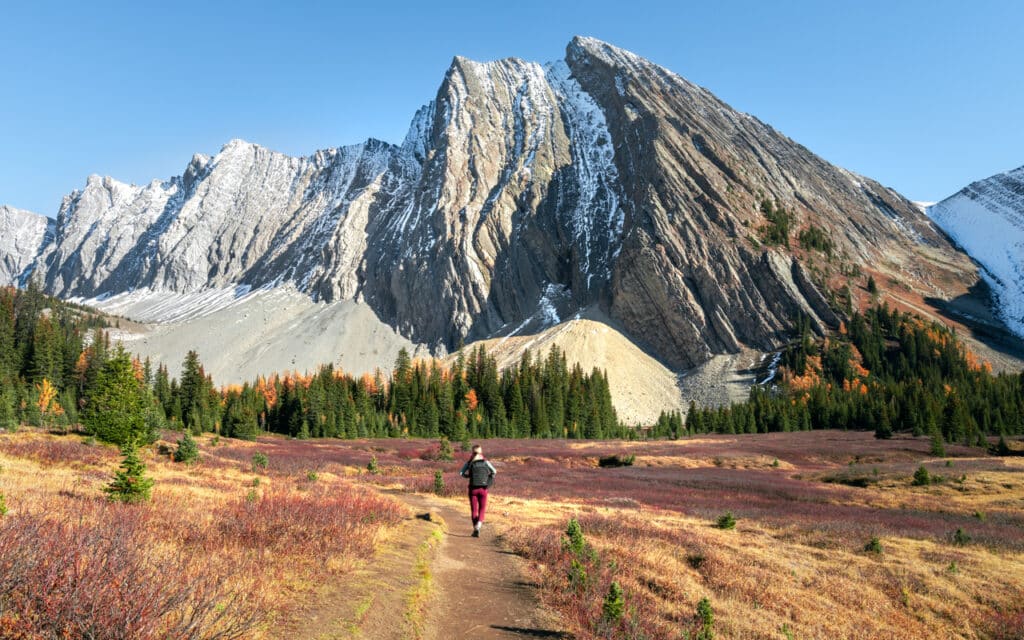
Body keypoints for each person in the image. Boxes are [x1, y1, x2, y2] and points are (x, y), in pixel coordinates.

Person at [459, 444, 496, 537]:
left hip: (472, 489)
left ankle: (475, 528)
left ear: (472, 452)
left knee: (474, 510)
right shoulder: (485, 462)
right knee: (482, 509)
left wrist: (468, 476)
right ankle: (479, 525)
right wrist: (489, 478)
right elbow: (494, 471)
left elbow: (461, 473)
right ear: (481, 452)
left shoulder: (469, 463)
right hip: (483, 489)